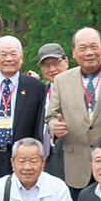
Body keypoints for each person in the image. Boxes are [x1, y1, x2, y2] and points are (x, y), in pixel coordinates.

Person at [45, 28, 101, 200]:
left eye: (94, 47)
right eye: (82, 48)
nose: (89, 52)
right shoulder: (62, 80)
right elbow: (51, 116)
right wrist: (54, 127)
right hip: (76, 163)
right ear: (73, 52)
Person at [0, 36, 48, 180]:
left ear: (21, 56)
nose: (9, 59)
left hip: (22, 158)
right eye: (3, 54)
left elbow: (37, 130)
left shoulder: (35, 87)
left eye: (13, 54)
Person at [37, 42, 70, 178]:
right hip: (47, 158)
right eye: (46, 65)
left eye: (56, 63)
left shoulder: (78, 89)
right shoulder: (42, 91)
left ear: (66, 61)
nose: (52, 69)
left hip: (70, 156)